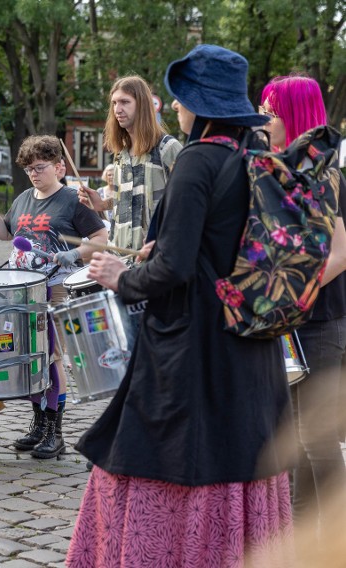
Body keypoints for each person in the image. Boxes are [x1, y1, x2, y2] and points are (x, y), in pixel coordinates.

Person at [66, 45, 293, 566]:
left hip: (194, 346)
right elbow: (213, 246)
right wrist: (161, 248)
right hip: (251, 338)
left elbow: (175, 270)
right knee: (241, 454)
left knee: (160, 455)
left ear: (199, 104)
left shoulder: (197, 159)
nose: (173, 109)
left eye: (179, 100)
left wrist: (122, 275)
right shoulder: (255, 156)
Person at [0, 135, 107, 459]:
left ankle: (55, 431)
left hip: (56, 287)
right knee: (29, 357)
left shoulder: (72, 199)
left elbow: (101, 237)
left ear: (59, 166)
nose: (34, 174)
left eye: (40, 167)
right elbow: (6, 234)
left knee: (50, 358)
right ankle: (37, 424)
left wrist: (74, 253)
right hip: (22, 290)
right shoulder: (23, 198)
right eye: (29, 169)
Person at [262, 75, 346, 546]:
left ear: (293, 115)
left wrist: (291, 295)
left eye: (272, 112)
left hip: (320, 320)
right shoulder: (287, 169)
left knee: (315, 439)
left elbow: (341, 253)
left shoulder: (322, 171)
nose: (265, 120)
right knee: (297, 438)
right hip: (296, 323)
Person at [78, 76, 183, 251]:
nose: (117, 109)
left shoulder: (167, 148)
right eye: (114, 103)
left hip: (155, 260)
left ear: (141, 105)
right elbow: (129, 200)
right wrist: (103, 204)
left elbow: (188, 205)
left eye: (125, 102)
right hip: (120, 257)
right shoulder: (121, 153)